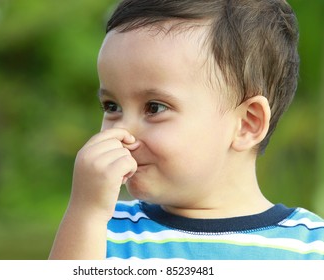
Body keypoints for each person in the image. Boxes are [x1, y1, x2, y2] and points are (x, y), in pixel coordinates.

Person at [49, 0, 324, 260]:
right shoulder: (101, 230)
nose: (123, 132)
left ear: (246, 124)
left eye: (154, 107)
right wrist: (85, 213)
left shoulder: (310, 248)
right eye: (111, 106)